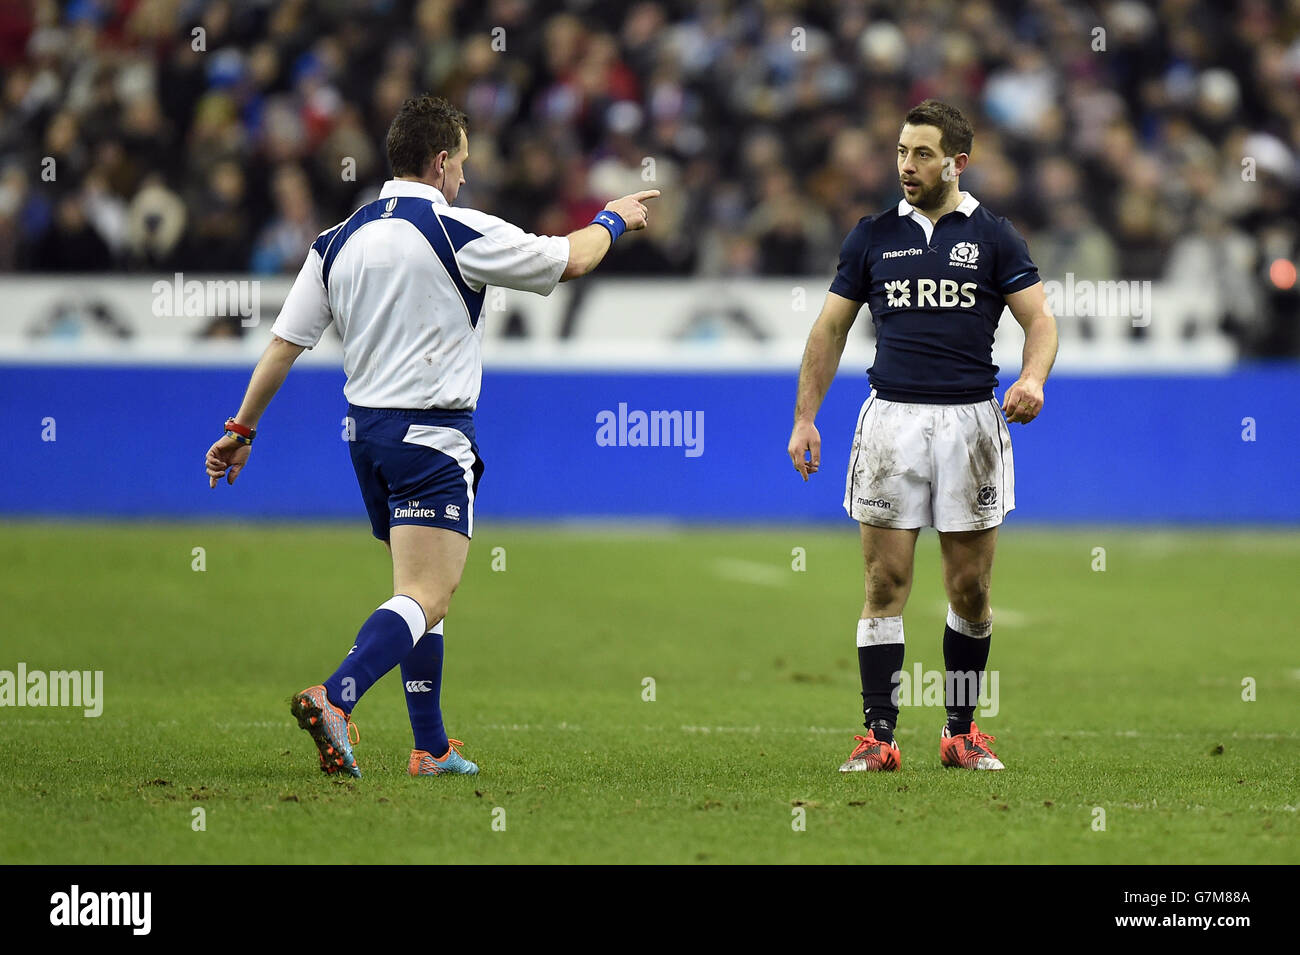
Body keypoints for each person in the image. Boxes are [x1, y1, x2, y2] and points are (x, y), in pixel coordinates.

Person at [205, 95, 658, 778]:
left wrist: (241, 428)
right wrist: (613, 218)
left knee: (416, 594)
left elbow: (282, 346)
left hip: (366, 437)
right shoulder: (453, 229)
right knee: (430, 593)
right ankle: (336, 694)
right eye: (464, 165)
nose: (466, 179)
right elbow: (570, 260)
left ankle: (431, 746)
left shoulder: (337, 239)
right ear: (442, 161)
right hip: (432, 433)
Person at [786, 99, 1058, 773]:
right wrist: (804, 416)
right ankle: (878, 735)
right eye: (902, 152)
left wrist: (1033, 379)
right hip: (891, 422)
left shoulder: (995, 236)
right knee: (885, 580)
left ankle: (960, 732)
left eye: (922, 154)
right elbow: (828, 331)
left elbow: (1042, 321)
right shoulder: (872, 235)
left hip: (971, 422)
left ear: (957, 163)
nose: (907, 165)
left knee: (970, 588)